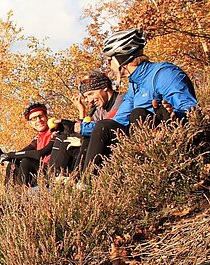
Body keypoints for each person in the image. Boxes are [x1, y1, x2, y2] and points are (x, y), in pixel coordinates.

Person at [81, 28, 197, 170]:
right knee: (103, 126)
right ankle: (86, 183)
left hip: (171, 140)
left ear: (121, 57)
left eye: (110, 60)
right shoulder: (134, 86)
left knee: (139, 114)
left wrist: (173, 115)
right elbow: (118, 121)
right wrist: (78, 127)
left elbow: (190, 109)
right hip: (142, 140)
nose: (109, 65)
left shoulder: (164, 73)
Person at [49, 71, 124, 175]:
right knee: (67, 142)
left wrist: (72, 127)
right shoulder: (100, 109)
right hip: (102, 144)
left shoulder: (121, 100)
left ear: (105, 87)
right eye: (86, 97)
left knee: (86, 141)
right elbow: (88, 127)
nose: (89, 101)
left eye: (90, 94)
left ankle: (83, 180)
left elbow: (104, 126)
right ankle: (57, 179)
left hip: (118, 144)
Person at [0, 103, 72, 187]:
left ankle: (23, 194)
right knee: (12, 164)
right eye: (34, 119)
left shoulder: (55, 132)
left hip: (52, 171)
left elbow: (40, 154)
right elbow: (22, 152)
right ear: (30, 123)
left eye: (40, 116)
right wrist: (3, 155)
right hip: (40, 172)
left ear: (46, 117)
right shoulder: (37, 138)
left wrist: (10, 155)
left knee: (27, 161)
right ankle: (10, 197)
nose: (38, 120)